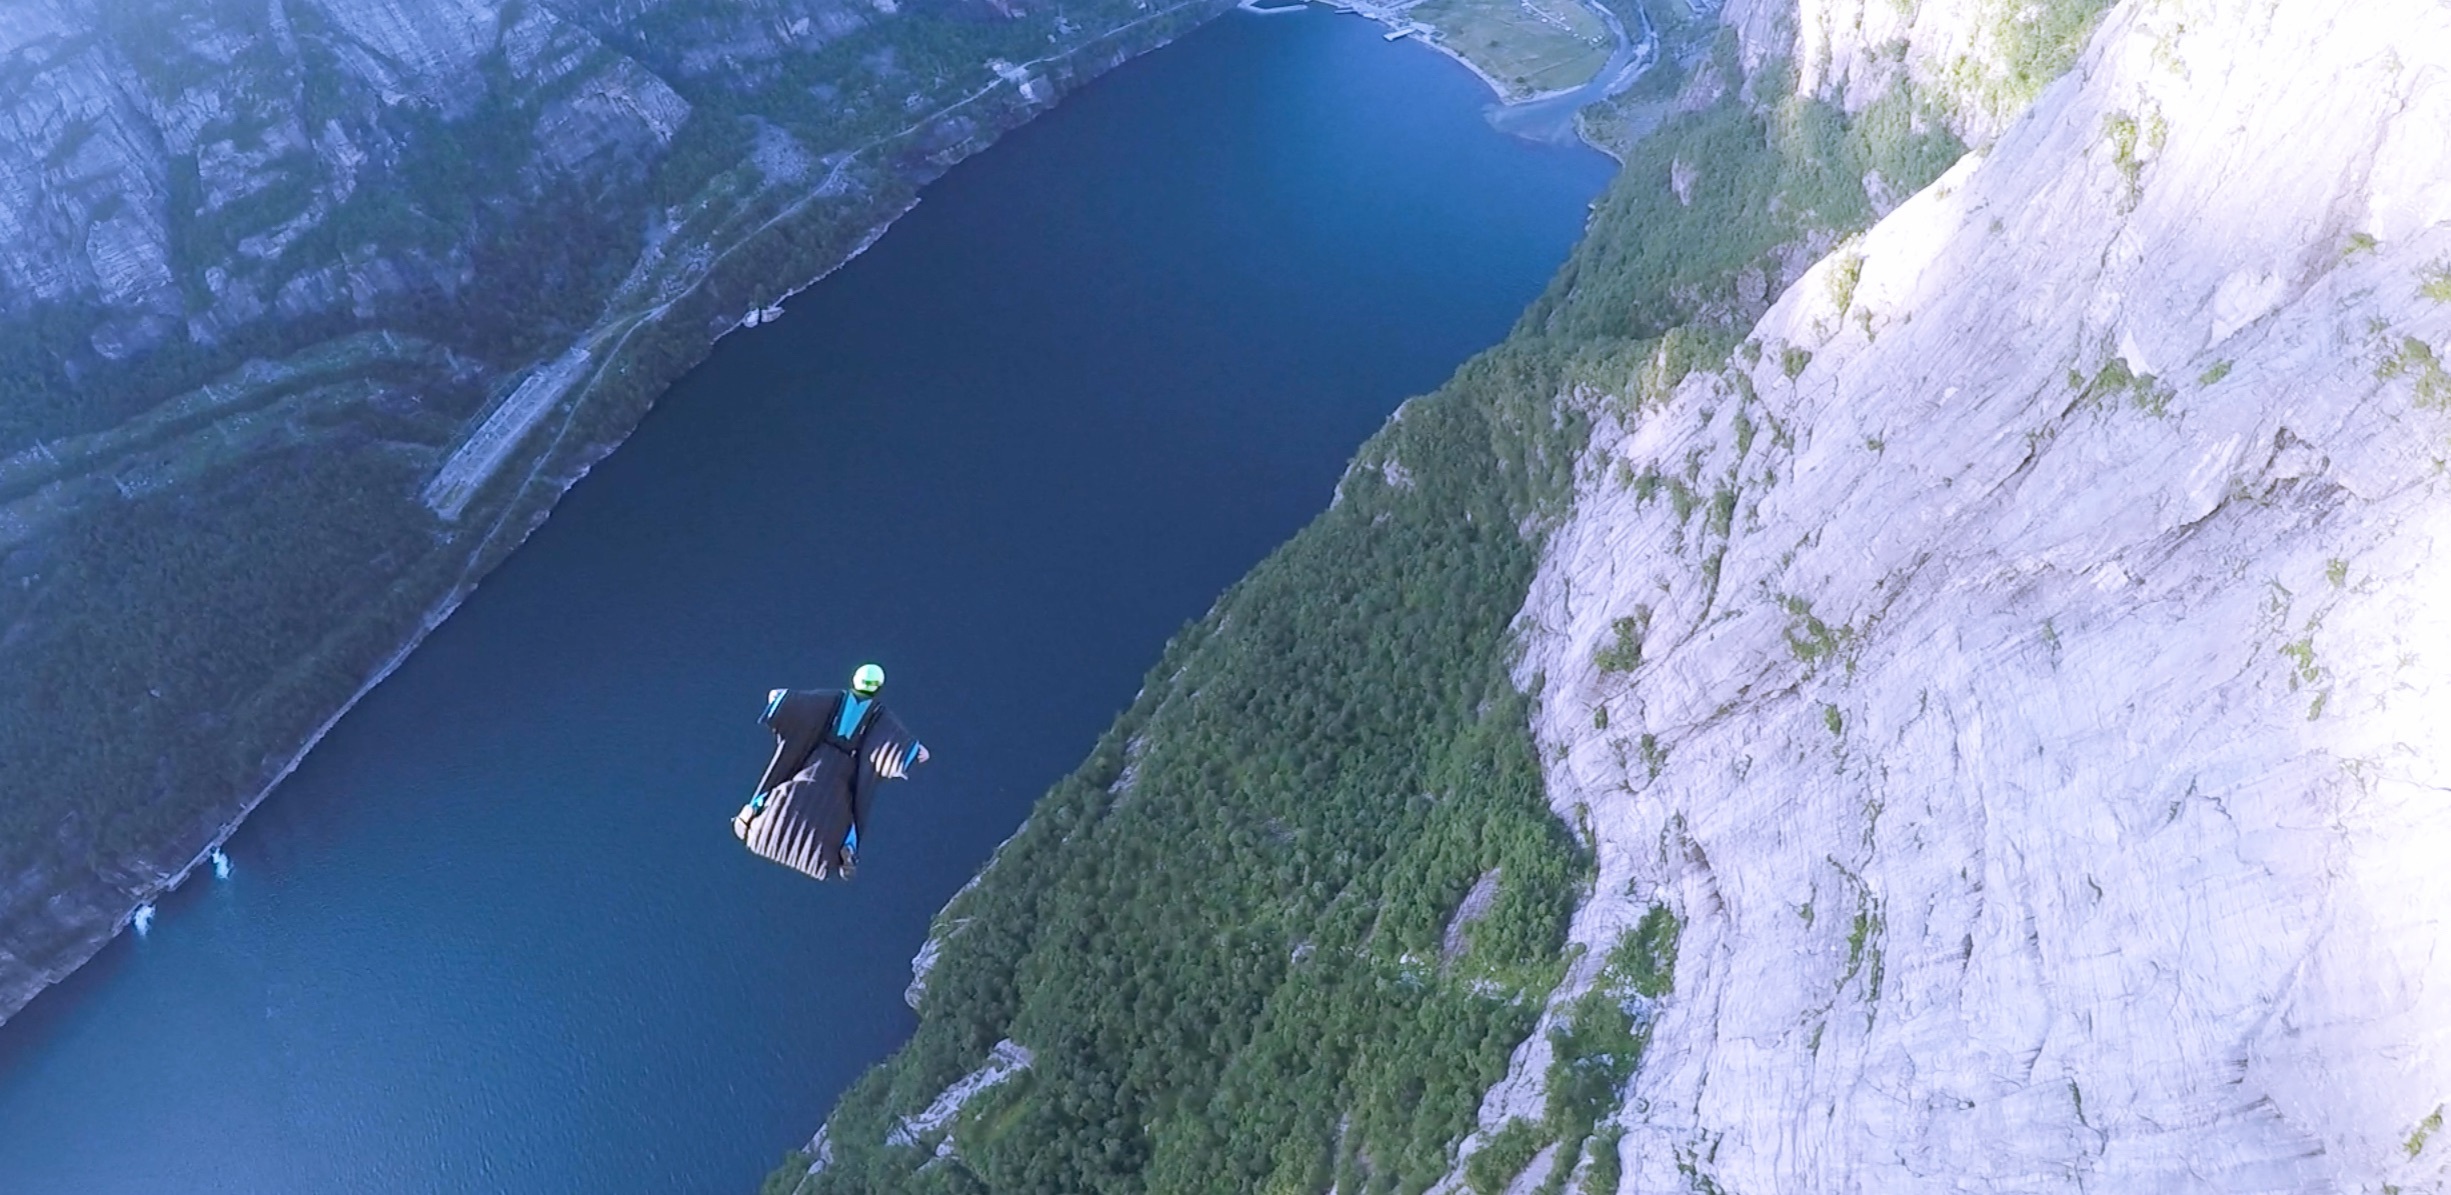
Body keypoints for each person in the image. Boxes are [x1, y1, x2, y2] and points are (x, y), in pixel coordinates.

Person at [733, 663, 928, 880]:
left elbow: (790, 700)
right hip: (845, 769)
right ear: (878, 687)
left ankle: (751, 812)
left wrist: (781, 699)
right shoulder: (879, 716)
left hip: (818, 759)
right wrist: (915, 750)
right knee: (853, 815)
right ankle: (849, 850)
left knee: (781, 786)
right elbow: (900, 745)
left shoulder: (833, 698)